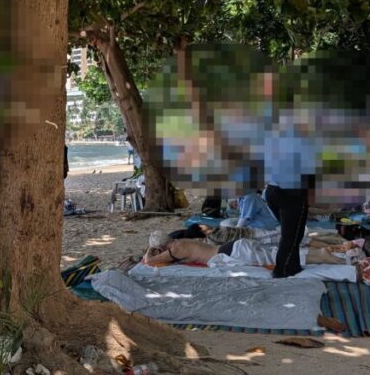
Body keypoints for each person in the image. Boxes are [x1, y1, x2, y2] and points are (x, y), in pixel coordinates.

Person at [263, 109, 319, 278]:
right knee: (292, 235)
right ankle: (282, 270)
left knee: (291, 233)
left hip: (272, 191)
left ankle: (292, 265)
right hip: (291, 193)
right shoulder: (303, 143)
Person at [142, 230, 352, 268]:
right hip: (233, 248)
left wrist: (149, 251)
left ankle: (322, 255)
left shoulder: (176, 248)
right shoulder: (183, 242)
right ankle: (323, 253)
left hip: (231, 252)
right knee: (278, 254)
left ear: (161, 246)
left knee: (280, 257)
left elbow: (149, 262)